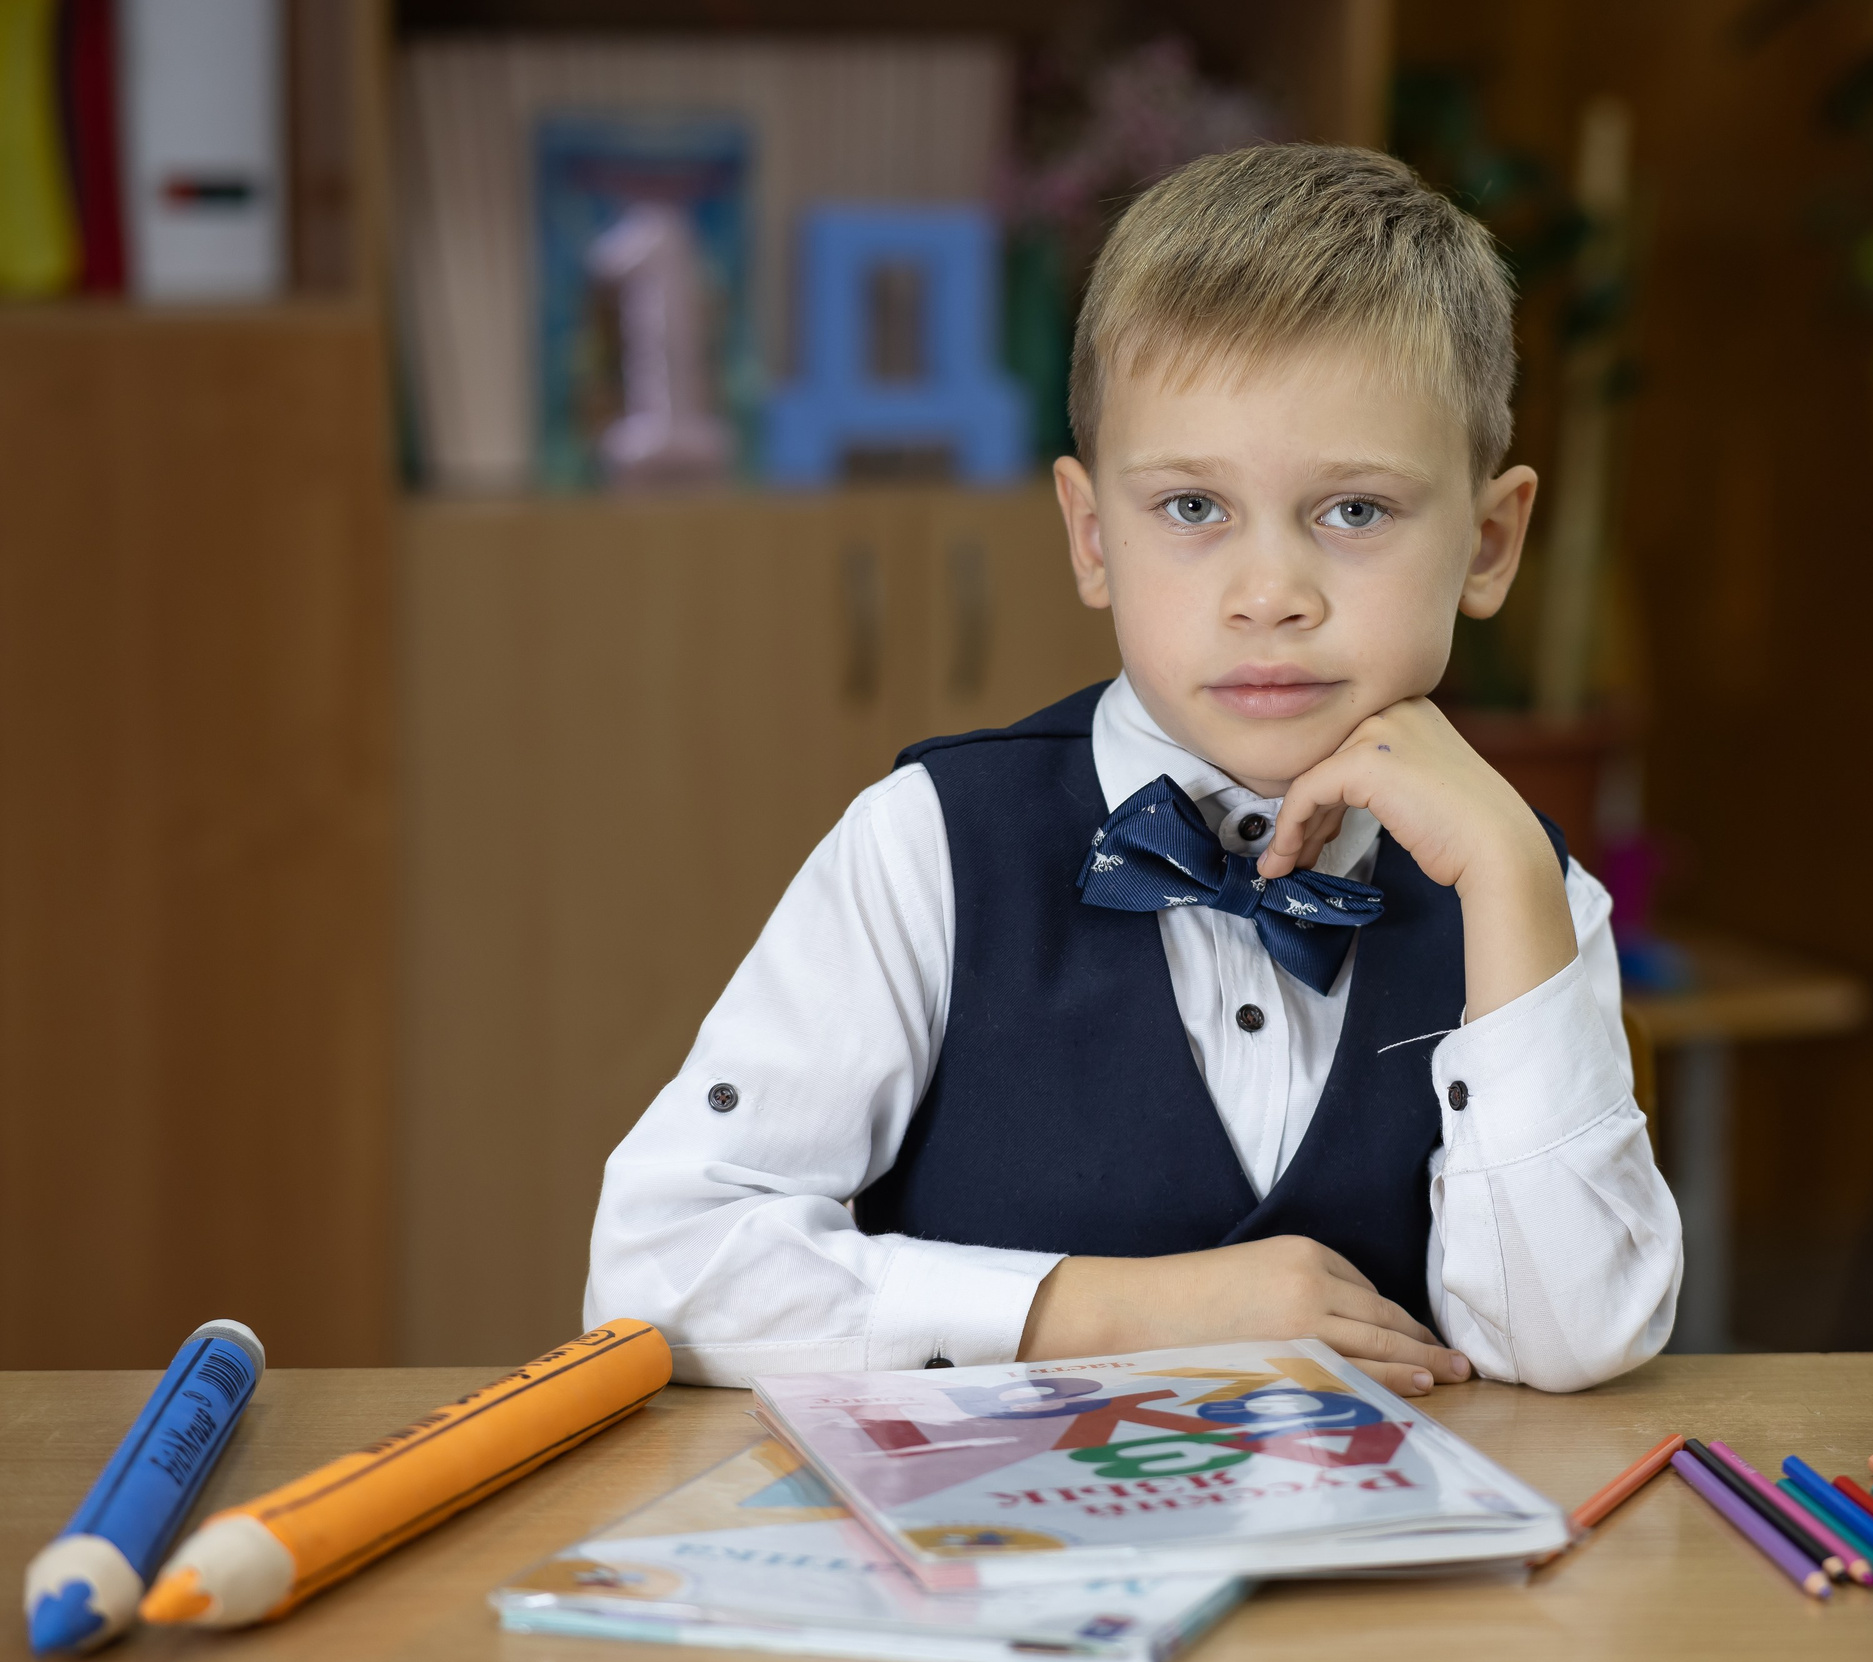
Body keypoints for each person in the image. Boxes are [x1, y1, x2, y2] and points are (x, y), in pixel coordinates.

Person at [585, 144, 1681, 1396]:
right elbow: (653, 1272)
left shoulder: (1529, 895)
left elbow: (1573, 1342)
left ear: (1488, 545)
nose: (1271, 596)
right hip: (989, 1574)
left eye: (1356, 512)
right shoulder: (927, 847)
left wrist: (1509, 879)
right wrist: (1107, 1310)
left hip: (1394, 1586)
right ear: (1091, 535)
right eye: (1193, 511)